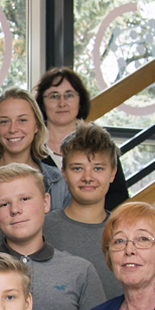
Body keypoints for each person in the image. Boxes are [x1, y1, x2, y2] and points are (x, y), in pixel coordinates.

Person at [0, 163, 104, 310]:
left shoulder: (79, 272)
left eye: (25, 199)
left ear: (46, 202)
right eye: (3, 204)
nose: (15, 210)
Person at [0, 88, 70, 255]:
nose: (13, 129)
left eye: (22, 120)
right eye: (4, 122)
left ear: (37, 125)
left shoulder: (58, 182)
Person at [43, 122, 122, 298]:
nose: (88, 177)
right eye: (78, 168)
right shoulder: (42, 230)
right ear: (64, 173)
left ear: (112, 173)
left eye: (98, 168)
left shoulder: (126, 233)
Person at [34, 67, 128, 211]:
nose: (62, 103)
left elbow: (118, 197)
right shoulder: (31, 148)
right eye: (53, 96)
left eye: (69, 95)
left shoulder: (100, 143)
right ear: (42, 103)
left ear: (80, 101)